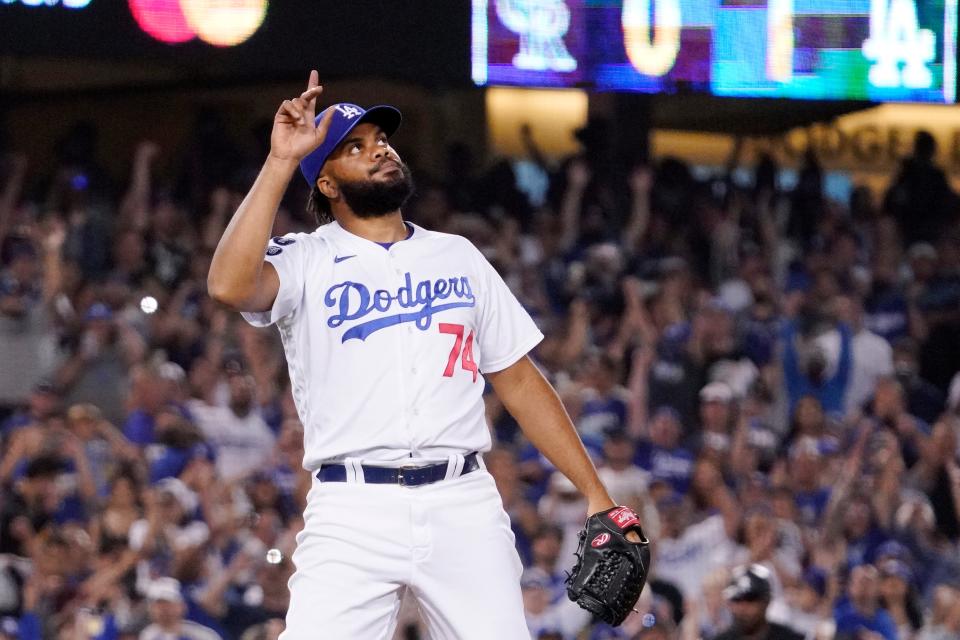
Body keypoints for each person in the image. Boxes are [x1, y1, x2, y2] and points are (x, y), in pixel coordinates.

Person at [207, 71, 633, 638]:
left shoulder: (456, 255)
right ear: (328, 185)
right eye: (355, 148)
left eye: (380, 139)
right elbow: (229, 287)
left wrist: (597, 494)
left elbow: (521, 381)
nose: (378, 149)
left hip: (463, 498)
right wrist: (282, 161)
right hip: (351, 505)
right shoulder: (304, 257)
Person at [715, 564, 804, 640]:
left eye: (750, 599)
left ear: (766, 601)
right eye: (737, 599)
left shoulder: (790, 638)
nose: (743, 607)